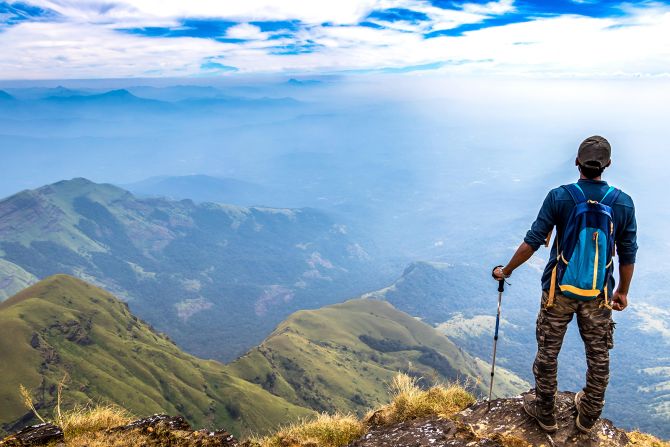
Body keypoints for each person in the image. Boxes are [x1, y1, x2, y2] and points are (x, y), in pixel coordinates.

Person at [492, 135, 637, 433]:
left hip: (557, 291)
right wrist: (622, 291)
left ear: (577, 162)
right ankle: (588, 416)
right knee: (598, 354)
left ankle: (545, 413)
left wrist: (506, 271)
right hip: (598, 293)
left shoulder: (559, 197)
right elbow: (628, 251)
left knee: (548, 352)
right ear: (607, 165)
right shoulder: (622, 202)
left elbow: (533, 242)